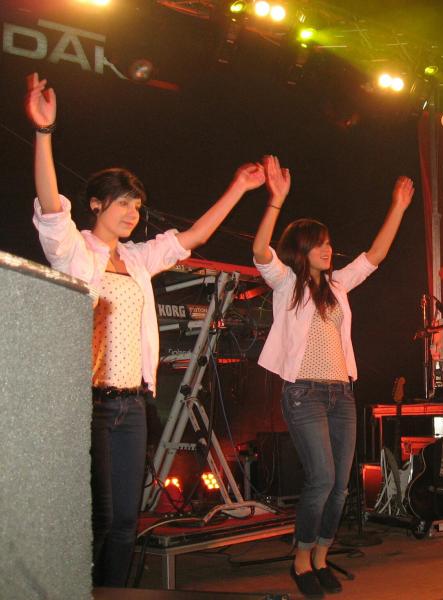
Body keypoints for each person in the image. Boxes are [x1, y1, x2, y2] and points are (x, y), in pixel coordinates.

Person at [26, 72, 266, 587]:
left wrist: (239, 188)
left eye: (137, 205)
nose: (133, 213)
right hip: (87, 404)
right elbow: (49, 205)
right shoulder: (73, 251)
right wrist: (44, 133)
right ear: (96, 204)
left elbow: (195, 236)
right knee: (94, 519)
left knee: (124, 522)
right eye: (123, 203)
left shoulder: (136, 260)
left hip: (133, 405)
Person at [252, 156, 413, 599]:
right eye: (319, 244)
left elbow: (375, 255)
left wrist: (398, 207)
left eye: (329, 243)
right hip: (304, 394)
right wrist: (276, 199)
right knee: (321, 478)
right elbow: (260, 250)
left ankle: (322, 555)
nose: (328, 249)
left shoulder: (339, 286)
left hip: (341, 394)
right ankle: (301, 558)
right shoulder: (286, 283)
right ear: (301, 249)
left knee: (341, 486)